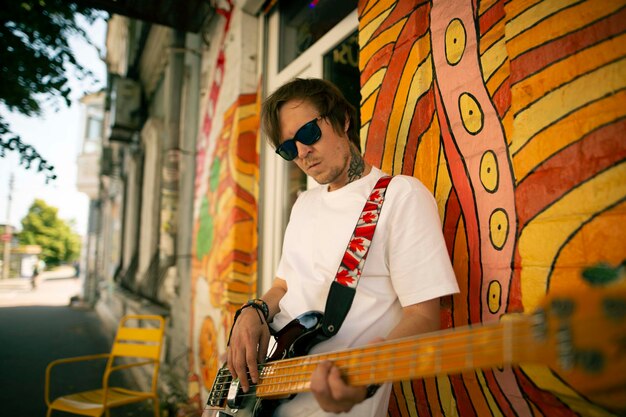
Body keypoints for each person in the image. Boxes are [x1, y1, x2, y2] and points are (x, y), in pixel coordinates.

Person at [226, 78, 459, 417]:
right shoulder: (303, 203)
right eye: (289, 149)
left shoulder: (399, 196)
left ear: (342, 120)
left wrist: (366, 373)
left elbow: (423, 317)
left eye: (308, 133)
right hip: (262, 396)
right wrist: (254, 310)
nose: (302, 153)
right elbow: (284, 286)